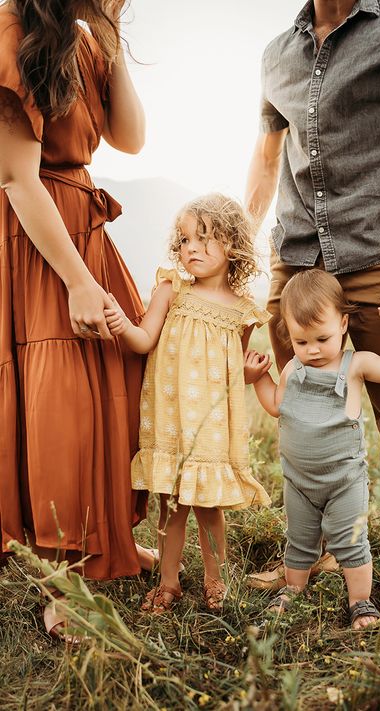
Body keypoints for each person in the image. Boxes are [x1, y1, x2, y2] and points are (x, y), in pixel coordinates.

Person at [245, 0, 380, 627]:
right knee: (310, 412)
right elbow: (265, 159)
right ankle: (329, 548)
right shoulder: (277, 52)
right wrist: (237, 248)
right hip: (297, 270)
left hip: (379, 261)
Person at [0, 0, 156, 640]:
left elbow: (130, 136)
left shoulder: (88, 40)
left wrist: (112, 36)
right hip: (42, 240)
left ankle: (104, 541)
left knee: (120, 376)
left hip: (82, 223)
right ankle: (63, 577)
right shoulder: (13, 32)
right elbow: (16, 176)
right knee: (61, 401)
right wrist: (79, 282)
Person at [105, 194, 271, 614]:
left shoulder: (241, 313)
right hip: (170, 420)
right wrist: (121, 324)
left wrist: (249, 376)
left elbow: (232, 369)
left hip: (209, 427)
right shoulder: (170, 290)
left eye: (203, 238)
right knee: (170, 504)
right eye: (183, 240)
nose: (190, 248)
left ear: (232, 244)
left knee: (209, 506)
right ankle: (169, 582)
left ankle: (216, 582)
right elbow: (144, 340)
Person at [244, 269, 380, 629]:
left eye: (321, 338)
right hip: (299, 483)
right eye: (301, 341)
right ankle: (293, 589)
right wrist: (259, 377)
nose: (312, 350)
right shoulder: (293, 368)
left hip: (344, 483)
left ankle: (360, 602)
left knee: (352, 544)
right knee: (299, 541)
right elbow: (277, 405)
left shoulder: (355, 365)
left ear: (343, 323)